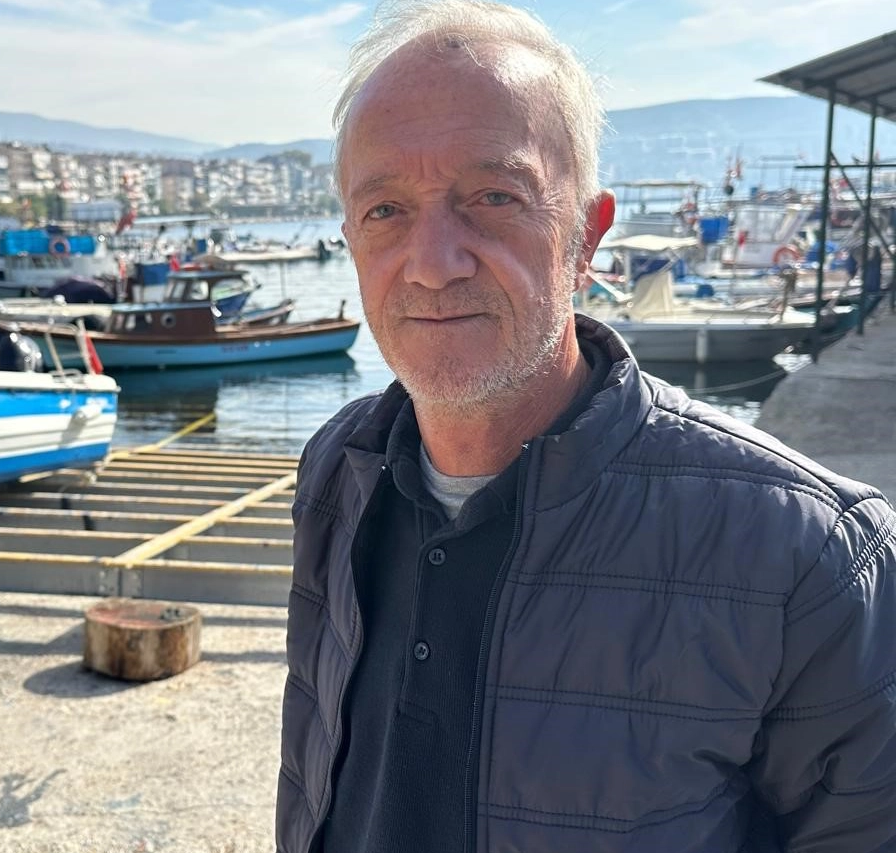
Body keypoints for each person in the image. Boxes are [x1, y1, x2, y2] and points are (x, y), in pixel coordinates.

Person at [278, 3, 896, 852]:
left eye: (494, 197)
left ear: (585, 237)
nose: (433, 263)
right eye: (385, 209)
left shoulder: (808, 555)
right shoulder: (337, 470)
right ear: (350, 237)